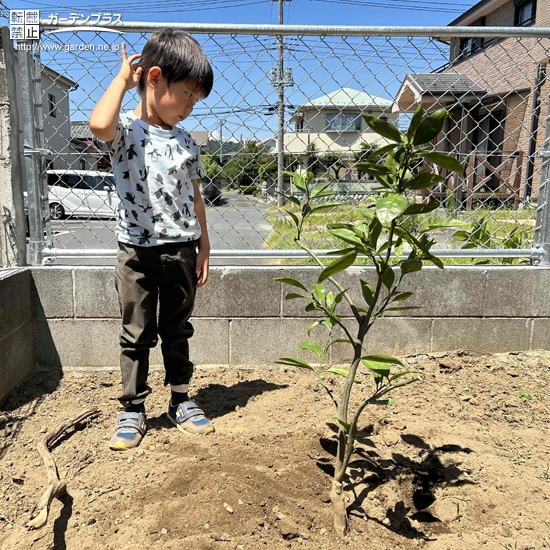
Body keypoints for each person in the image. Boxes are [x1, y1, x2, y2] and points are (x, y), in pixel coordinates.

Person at [90, 30, 215, 450]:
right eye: (186, 96)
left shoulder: (186, 142)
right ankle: (133, 408)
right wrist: (124, 82)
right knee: (136, 330)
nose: (189, 108)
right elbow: (99, 123)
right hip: (135, 252)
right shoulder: (125, 130)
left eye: (196, 102)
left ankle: (180, 398)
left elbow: (193, 196)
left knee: (176, 327)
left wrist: (204, 245)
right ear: (155, 77)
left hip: (180, 248)